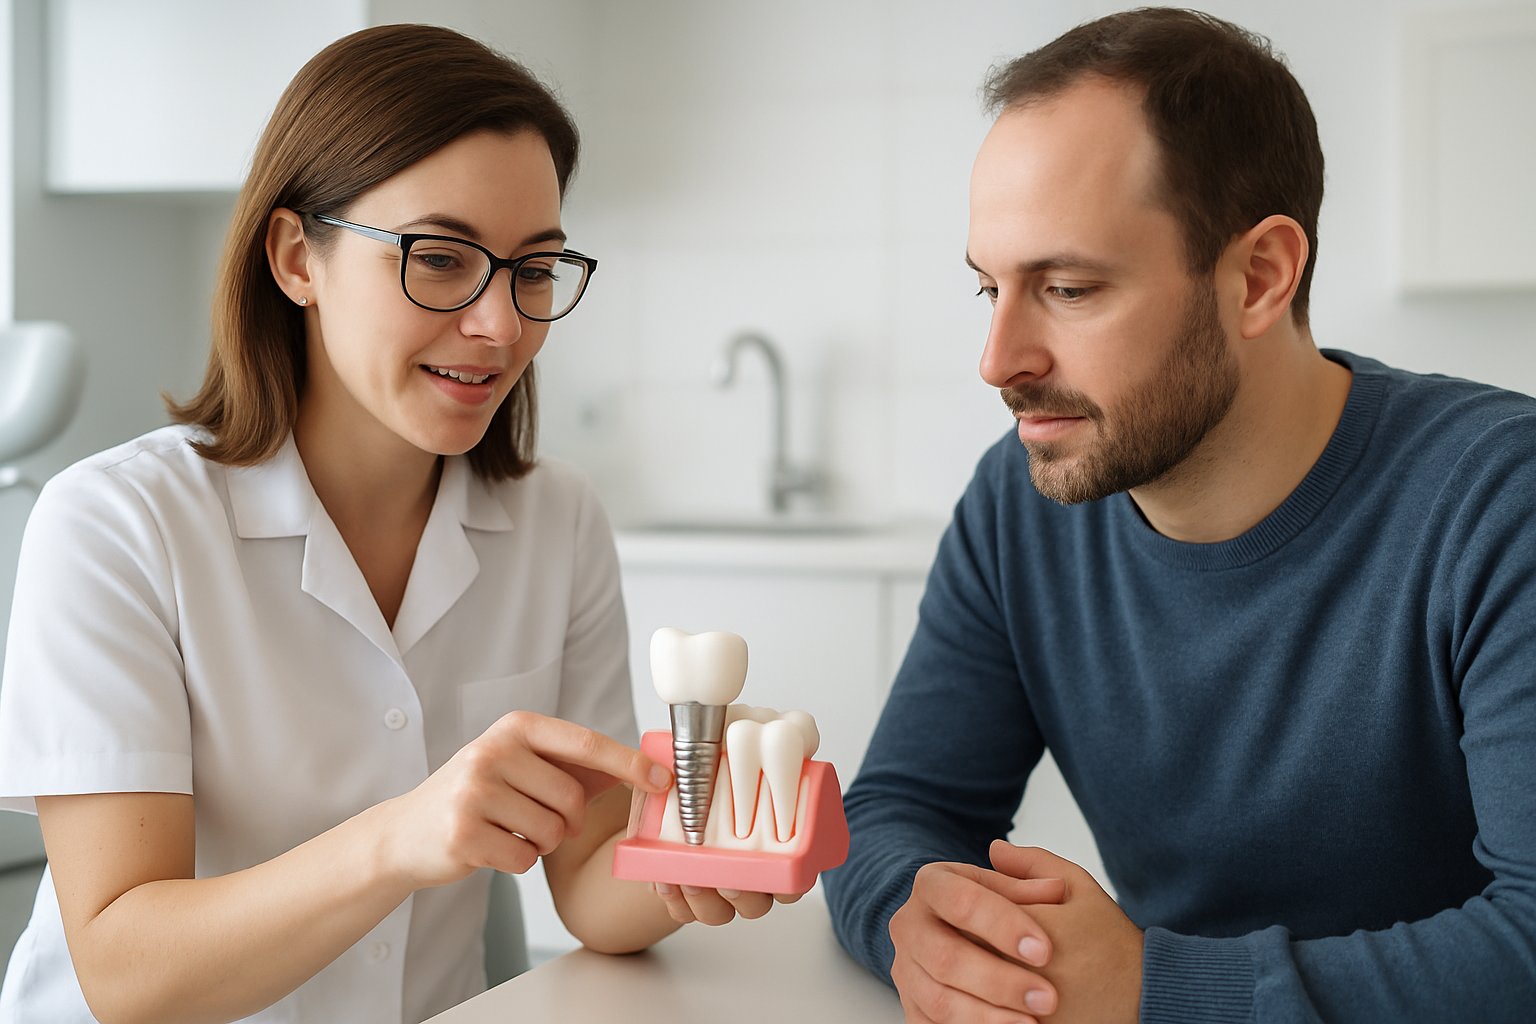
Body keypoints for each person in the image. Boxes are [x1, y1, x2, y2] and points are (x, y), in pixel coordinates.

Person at [0, 24, 795, 1024]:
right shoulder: (116, 524)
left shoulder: (558, 522)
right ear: (296, 256)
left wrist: (705, 842)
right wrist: (404, 834)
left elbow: (592, 884)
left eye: (534, 269)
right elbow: (124, 968)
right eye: (440, 257)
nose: (501, 324)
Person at [823, 8, 1536, 1023]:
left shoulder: (1502, 497)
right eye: (989, 287)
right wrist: (917, 919)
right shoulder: (1019, 498)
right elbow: (902, 809)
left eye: (1068, 287)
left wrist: (1162, 990)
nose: (999, 360)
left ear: (1260, 276)